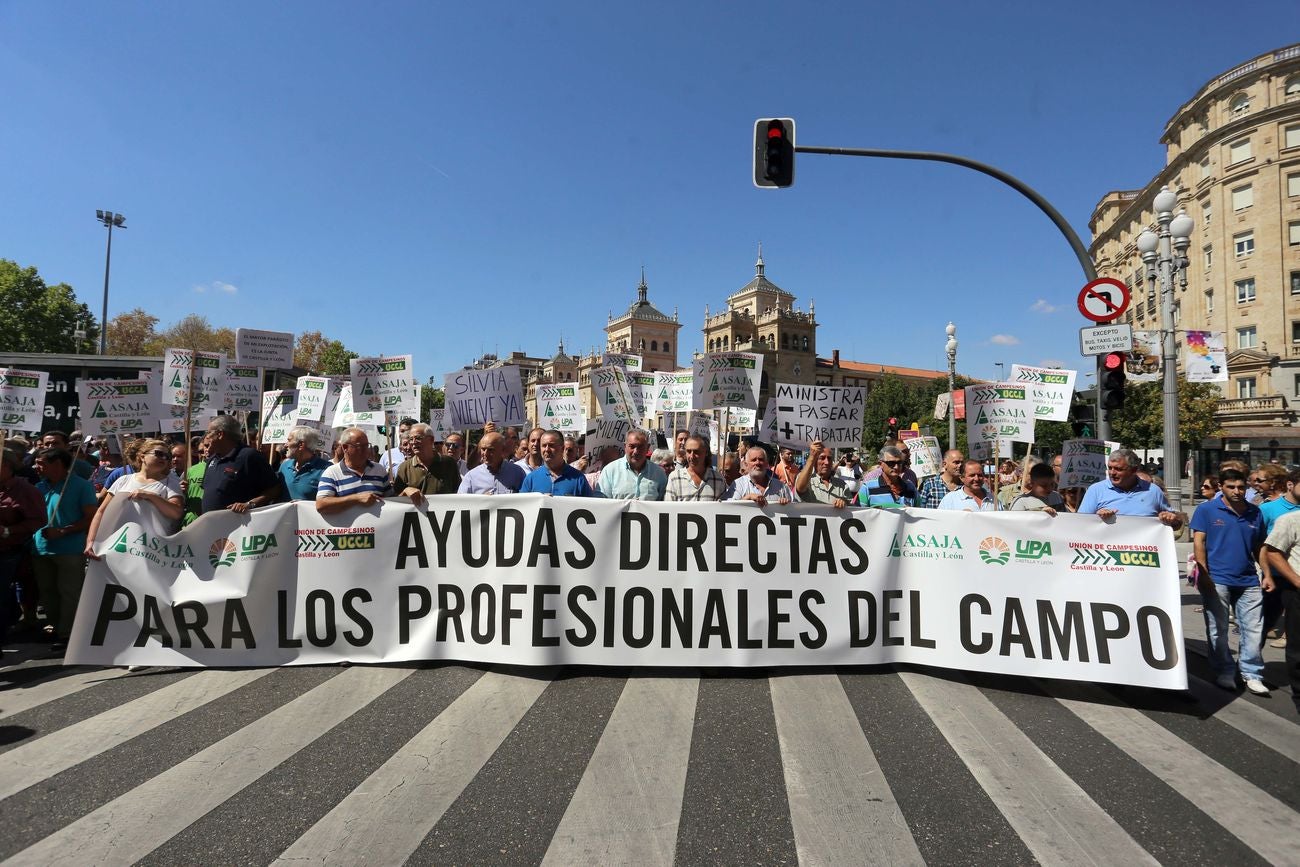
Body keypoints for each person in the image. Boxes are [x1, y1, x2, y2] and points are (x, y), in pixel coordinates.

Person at [1191, 470, 1268, 695]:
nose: (1237, 491)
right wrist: (1203, 574)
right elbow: (1199, 543)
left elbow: (1259, 546)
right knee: (1218, 628)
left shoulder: (1255, 512)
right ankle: (1224, 671)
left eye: (1241, 487)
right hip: (1217, 579)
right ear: (1221, 487)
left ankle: (1252, 673)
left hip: (1248, 579)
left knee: (1253, 629)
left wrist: (1267, 573)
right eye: (1231, 487)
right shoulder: (1206, 510)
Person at [32, 448, 98, 648]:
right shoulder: (38, 487)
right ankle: (54, 625)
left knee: (69, 591)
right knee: (47, 591)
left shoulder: (81, 486)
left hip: (69, 549)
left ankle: (68, 633)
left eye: (42, 463)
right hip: (40, 549)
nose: (37, 467)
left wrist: (64, 531)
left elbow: (91, 518)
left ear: (58, 464)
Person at [84, 438, 183, 554]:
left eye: (167, 456)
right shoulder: (123, 480)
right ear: (142, 456)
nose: (164, 458)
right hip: (119, 546)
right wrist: (91, 541)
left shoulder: (171, 483)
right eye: (159, 454)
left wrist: (151, 496)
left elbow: (176, 513)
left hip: (154, 550)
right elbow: (101, 512)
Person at [1078, 448, 1183, 530]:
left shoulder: (1153, 491)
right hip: (1107, 554)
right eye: (1110, 468)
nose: (1112, 473)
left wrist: (1172, 519)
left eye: (1118, 469)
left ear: (1133, 470)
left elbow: (1176, 524)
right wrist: (1097, 518)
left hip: (1143, 555)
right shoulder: (1095, 490)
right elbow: (1079, 524)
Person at [0, 449, 44, 646]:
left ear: (8, 466)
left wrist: (9, 531)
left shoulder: (25, 490)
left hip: (10, 550)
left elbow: (37, 521)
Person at [201, 415, 281, 515]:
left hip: (239, 526)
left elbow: (274, 489)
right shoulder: (212, 459)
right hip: (212, 526)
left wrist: (250, 504)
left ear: (220, 434)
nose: (207, 437)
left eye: (209, 432)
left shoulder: (249, 456)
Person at [1262, 509, 1300, 713]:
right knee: (1298, 647)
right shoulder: (1290, 520)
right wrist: (1296, 581)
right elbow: (1273, 551)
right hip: (1296, 592)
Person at [317, 428, 393, 513]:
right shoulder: (331, 473)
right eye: (360, 446)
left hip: (377, 526)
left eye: (367, 445)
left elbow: (392, 501)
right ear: (345, 447)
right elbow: (321, 505)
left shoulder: (379, 470)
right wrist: (355, 498)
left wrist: (404, 494)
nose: (366, 450)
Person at [395, 423, 462, 505]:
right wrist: (405, 492)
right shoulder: (404, 468)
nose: (413, 442)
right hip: (415, 517)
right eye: (411, 439)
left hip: (444, 516)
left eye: (418, 438)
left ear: (431, 440)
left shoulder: (449, 464)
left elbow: (460, 494)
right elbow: (394, 502)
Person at [596, 429, 667, 500]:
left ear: (647, 448)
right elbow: (601, 502)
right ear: (625, 446)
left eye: (640, 447)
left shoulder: (659, 473)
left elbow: (664, 504)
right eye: (632, 446)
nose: (636, 451)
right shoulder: (610, 471)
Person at [520, 430, 596, 496]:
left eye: (551, 445)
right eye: (543, 446)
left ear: (562, 448)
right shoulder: (531, 479)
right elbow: (523, 506)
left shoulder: (578, 479)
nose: (547, 449)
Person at [459, 432, 526, 494]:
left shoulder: (517, 473)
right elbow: (462, 502)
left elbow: (526, 499)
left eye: (490, 450)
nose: (485, 454)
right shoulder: (471, 476)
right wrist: (480, 500)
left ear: (502, 450)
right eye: (483, 449)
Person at [665, 435, 727, 502]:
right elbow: (668, 507)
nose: (692, 456)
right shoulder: (675, 477)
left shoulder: (718, 479)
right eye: (688, 451)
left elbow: (723, 509)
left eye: (696, 452)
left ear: (706, 452)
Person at [279, 426, 332, 501]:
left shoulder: (327, 470)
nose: (285, 445)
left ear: (301, 445)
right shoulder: (284, 466)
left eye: (289, 440)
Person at [726, 446, 793, 505]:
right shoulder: (738, 485)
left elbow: (794, 508)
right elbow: (730, 508)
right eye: (754, 460)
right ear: (746, 465)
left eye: (761, 460)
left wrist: (786, 505)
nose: (757, 463)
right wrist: (747, 498)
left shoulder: (781, 487)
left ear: (767, 463)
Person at [858, 445, 918, 509]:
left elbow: (920, 512)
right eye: (891, 463)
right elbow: (859, 514)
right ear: (881, 464)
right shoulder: (867, 488)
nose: (896, 467)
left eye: (899, 462)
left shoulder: (910, 487)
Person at [795, 439, 850, 508]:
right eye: (822, 458)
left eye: (829, 458)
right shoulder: (808, 480)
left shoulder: (842, 485)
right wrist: (812, 456)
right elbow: (800, 488)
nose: (826, 462)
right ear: (815, 461)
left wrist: (844, 501)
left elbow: (853, 507)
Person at [182, 434, 210, 526]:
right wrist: (181, 491)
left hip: (213, 520)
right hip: (191, 521)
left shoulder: (224, 468)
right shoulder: (190, 471)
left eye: (208, 446)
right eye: (200, 451)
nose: (205, 452)